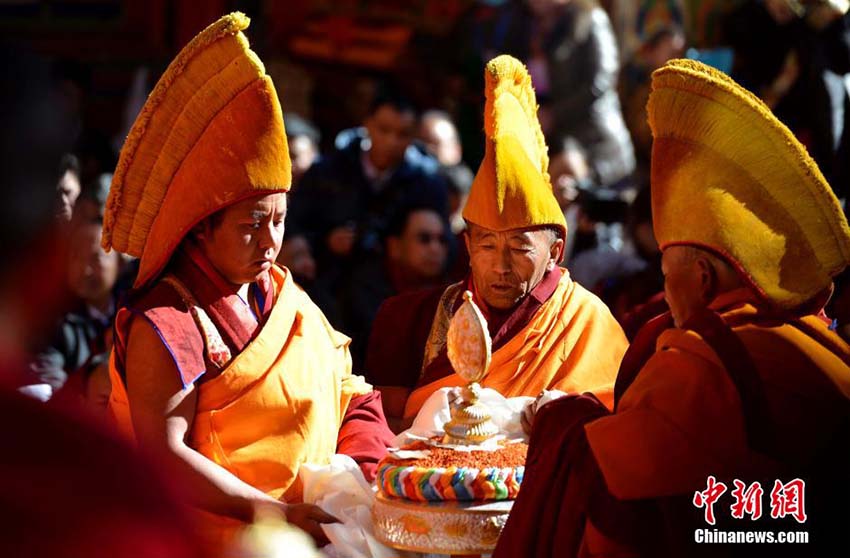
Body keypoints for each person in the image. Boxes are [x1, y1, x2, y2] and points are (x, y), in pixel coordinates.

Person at [495, 59, 850, 558]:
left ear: (701, 277)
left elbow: (620, 491)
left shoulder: (698, 362)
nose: (664, 290)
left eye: (666, 271)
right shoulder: (811, 336)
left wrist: (566, 421)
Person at [101, 14, 393, 554]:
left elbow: (343, 384)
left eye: (279, 219)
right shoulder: (170, 318)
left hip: (307, 519)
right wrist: (275, 513)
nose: (269, 242)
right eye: (250, 225)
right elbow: (163, 453)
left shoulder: (280, 293)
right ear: (201, 227)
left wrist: (371, 466)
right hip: (219, 535)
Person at [366, 55, 628, 431]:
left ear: (554, 252)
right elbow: (380, 428)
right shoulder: (410, 320)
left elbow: (605, 429)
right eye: (487, 246)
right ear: (468, 246)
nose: (501, 267)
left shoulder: (587, 322)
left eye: (520, 248)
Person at [288, 87, 448, 275]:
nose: (391, 142)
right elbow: (295, 225)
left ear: (413, 136)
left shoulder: (427, 182)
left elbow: (445, 243)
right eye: (384, 130)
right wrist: (326, 240)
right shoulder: (328, 171)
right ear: (367, 125)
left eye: (402, 134)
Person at [526, 0, 636, 188]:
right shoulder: (537, 27)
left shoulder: (590, 19)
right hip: (565, 141)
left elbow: (601, 81)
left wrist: (554, 115)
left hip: (598, 139)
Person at [342, 205, 449, 371]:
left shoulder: (452, 292)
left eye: (441, 240)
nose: (435, 248)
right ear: (394, 246)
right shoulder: (363, 291)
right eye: (424, 239)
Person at [29, 218, 122, 394]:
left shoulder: (134, 309)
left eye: (96, 258)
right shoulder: (51, 323)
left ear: (120, 263)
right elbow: (47, 381)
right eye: (76, 257)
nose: (85, 270)